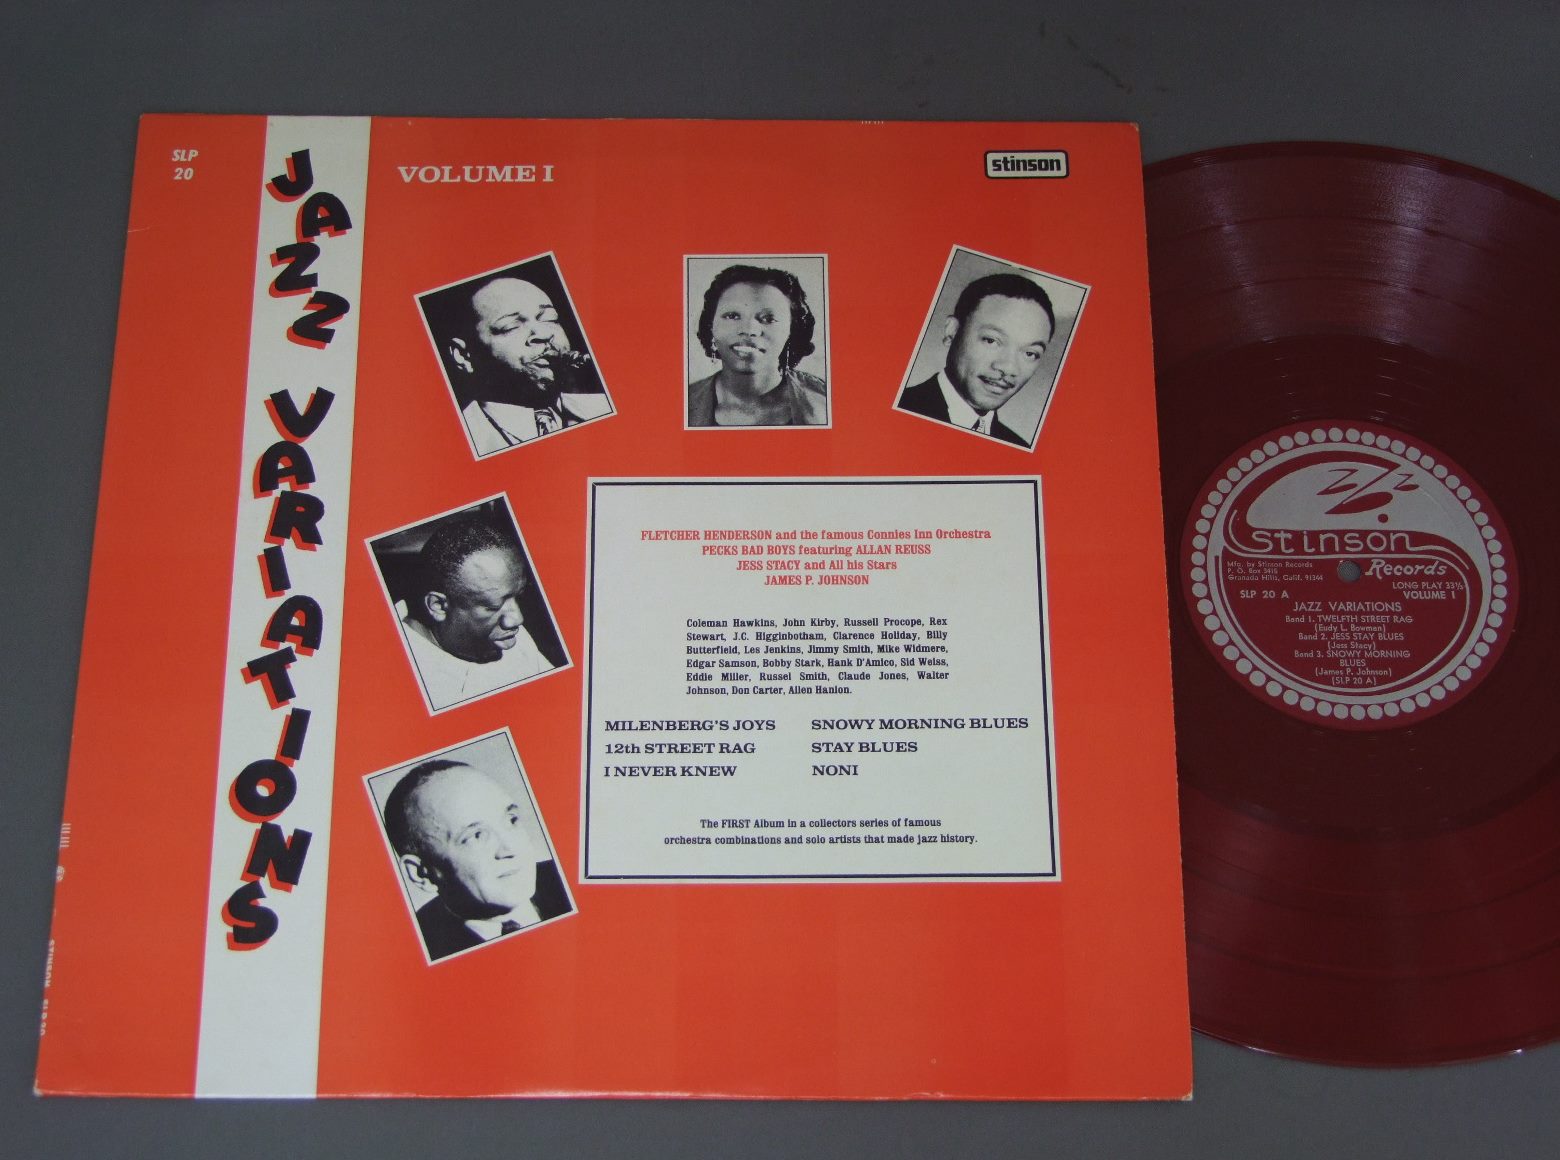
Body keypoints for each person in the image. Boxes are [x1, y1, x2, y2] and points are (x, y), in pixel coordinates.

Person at [383, 759, 571, 961]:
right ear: (422, 874)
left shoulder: (569, 878)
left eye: (512, 820)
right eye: (476, 836)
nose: (510, 849)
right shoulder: (414, 952)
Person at [437, 273, 612, 454]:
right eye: (511, 326)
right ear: (463, 356)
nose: (544, 334)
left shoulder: (604, 406)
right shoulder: (456, 446)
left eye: (550, 318)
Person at [400, 513, 555, 710]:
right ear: (438, 606)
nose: (517, 619)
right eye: (492, 607)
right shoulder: (402, 682)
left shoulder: (505, 634)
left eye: (518, 596)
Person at [897, 272, 1055, 447]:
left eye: (1030, 353)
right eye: (991, 341)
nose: (1009, 368)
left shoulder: (1019, 448)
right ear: (952, 331)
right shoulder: (897, 408)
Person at [688, 264, 828, 426]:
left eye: (768, 319)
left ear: (792, 330)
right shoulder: (683, 402)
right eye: (732, 316)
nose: (748, 330)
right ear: (711, 326)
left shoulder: (826, 402)